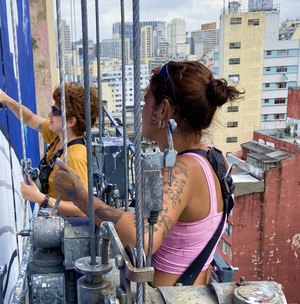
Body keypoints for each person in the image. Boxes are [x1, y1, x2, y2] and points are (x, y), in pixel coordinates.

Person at [54, 61, 244, 286]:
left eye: (146, 101)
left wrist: (79, 195)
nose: (142, 109)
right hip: (192, 296)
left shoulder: (183, 171)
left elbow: (140, 238)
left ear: (163, 109)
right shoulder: (213, 156)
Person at [0, 83, 98, 216]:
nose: (49, 114)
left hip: (63, 229)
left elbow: (83, 208)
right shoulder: (58, 136)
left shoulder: (75, 157)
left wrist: (41, 198)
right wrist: (6, 99)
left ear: (70, 122)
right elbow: (29, 118)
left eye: (55, 111)